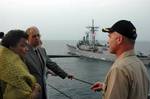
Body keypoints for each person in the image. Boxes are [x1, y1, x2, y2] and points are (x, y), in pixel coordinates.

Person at [91, 20, 150, 99]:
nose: (108, 41)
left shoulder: (119, 69)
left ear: (119, 40)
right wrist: (106, 87)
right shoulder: (140, 64)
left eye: (110, 37)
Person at [24, 26, 73, 99]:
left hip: (43, 89)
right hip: (31, 92)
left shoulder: (42, 50)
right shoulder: (24, 52)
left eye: (38, 35)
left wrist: (65, 74)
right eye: (34, 36)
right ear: (27, 38)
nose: (37, 38)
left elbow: (51, 64)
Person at [0, 30, 41, 99]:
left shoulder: (4, 58)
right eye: (23, 45)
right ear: (11, 46)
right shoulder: (13, 69)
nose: (27, 49)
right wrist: (35, 93)